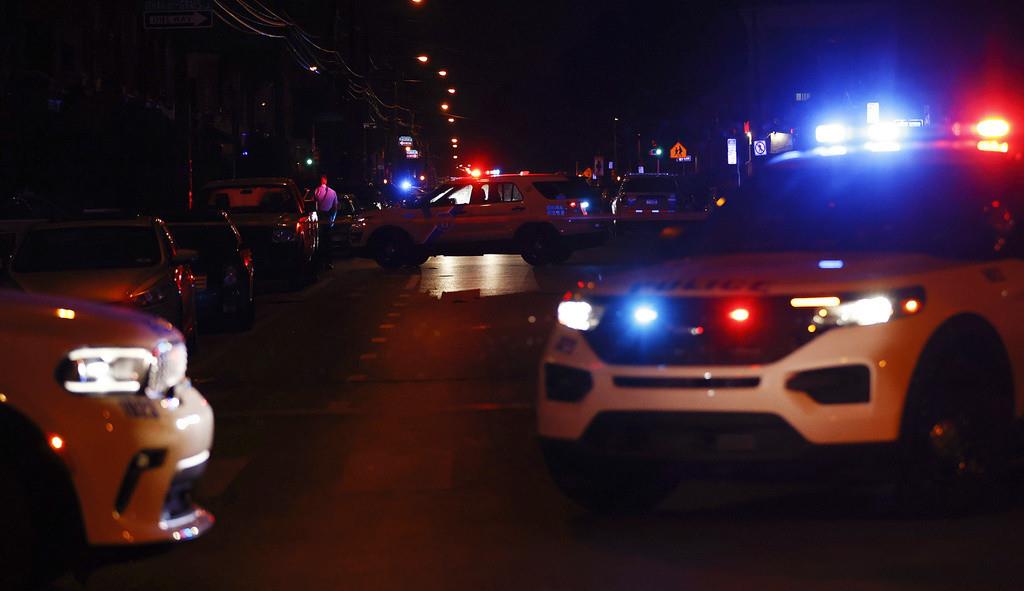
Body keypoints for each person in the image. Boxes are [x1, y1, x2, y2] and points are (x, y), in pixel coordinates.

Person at [313, 175, 338, 270]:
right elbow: (335, 208)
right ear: (326, 181)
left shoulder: (316, 191)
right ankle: (329, 262)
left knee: (319, 241)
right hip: (328, 218)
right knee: (328, 241)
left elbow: (314, 206)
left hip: (319, 219)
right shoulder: (333, 192)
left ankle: (319, 262)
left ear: (320, 181)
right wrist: (333, 220)